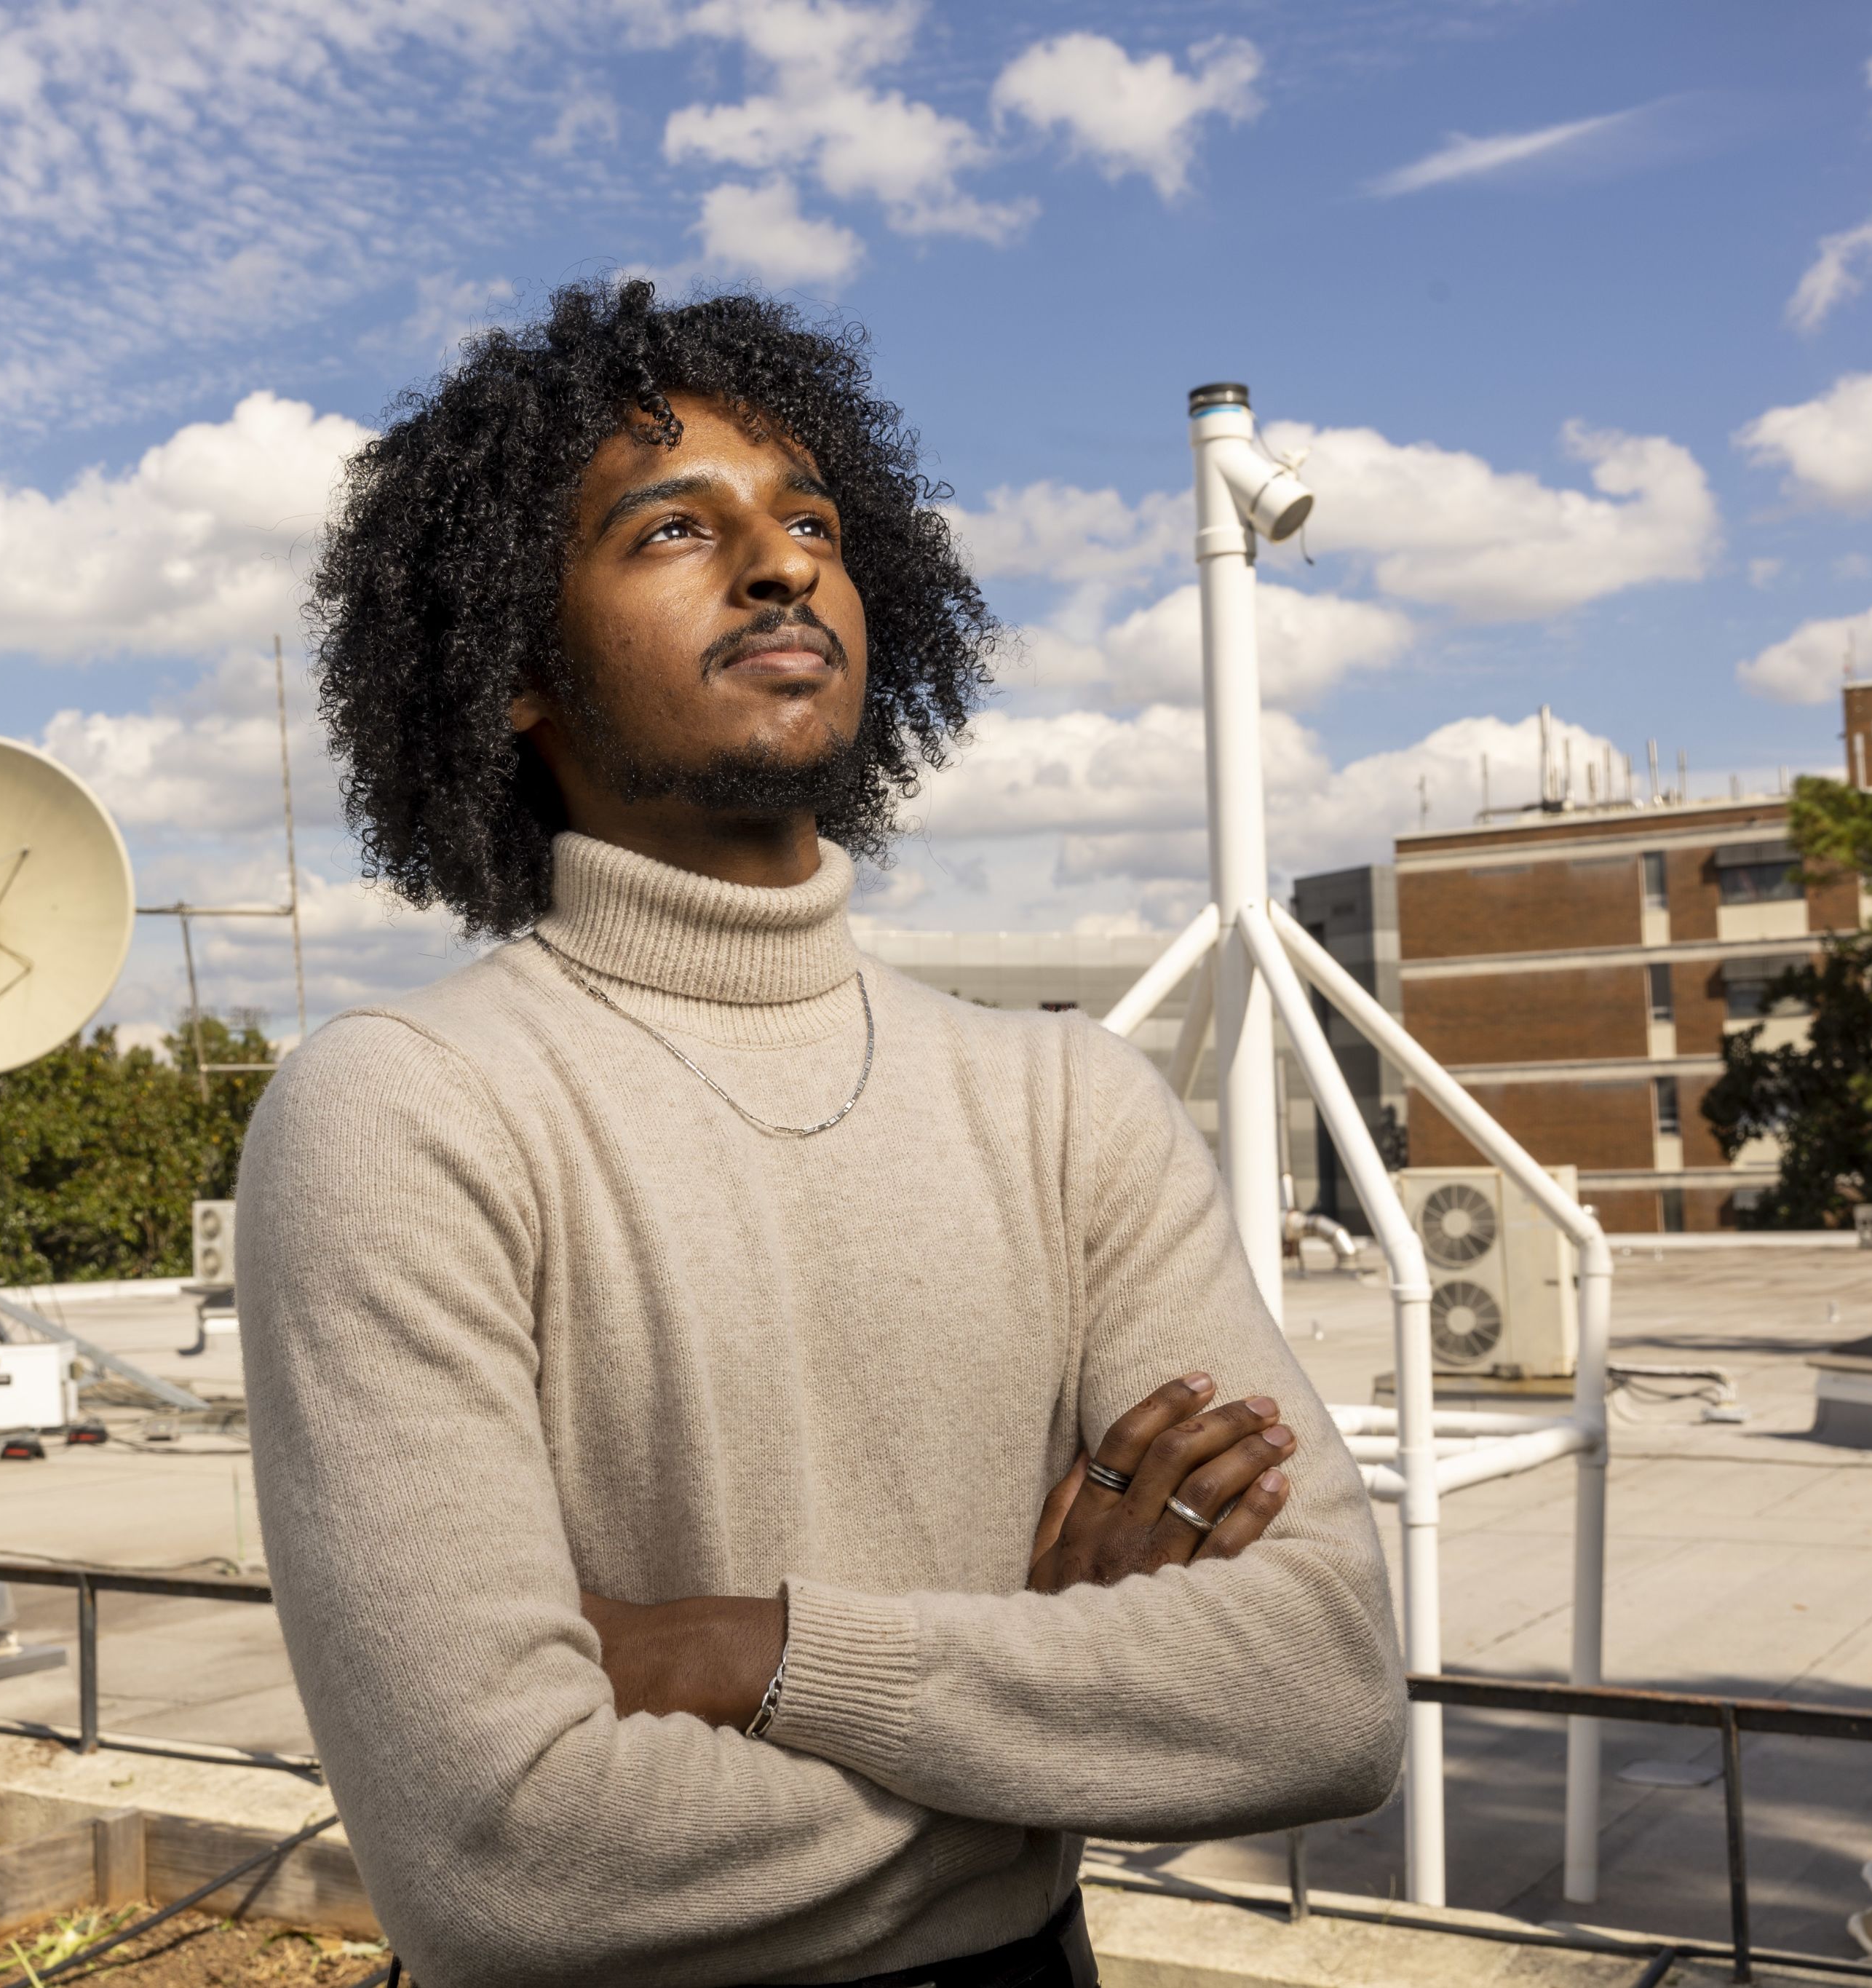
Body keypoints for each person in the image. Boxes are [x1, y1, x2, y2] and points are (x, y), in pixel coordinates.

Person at [237, 280, 1405, 1988]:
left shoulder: (1065, 1100)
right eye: (667, 529)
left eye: (809, 521)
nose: (780, 563)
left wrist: (756, 1652)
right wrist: (1049, 1714)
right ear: (507, 667)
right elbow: (503, 1855)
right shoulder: (406, 1108)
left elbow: (1319, 1689)